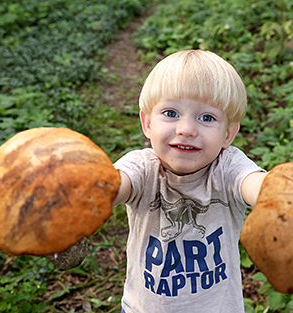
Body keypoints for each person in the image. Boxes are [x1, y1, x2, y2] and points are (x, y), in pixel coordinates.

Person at [51, 49, 268, 312]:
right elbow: (114, 186)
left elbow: (257, 186)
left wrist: (283, 195)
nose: (186, 129)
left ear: (228, 134)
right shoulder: (143, 168)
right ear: (147, 123)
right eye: (171, 113)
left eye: (207, 118)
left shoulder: (228, 168)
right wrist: (81, 191)